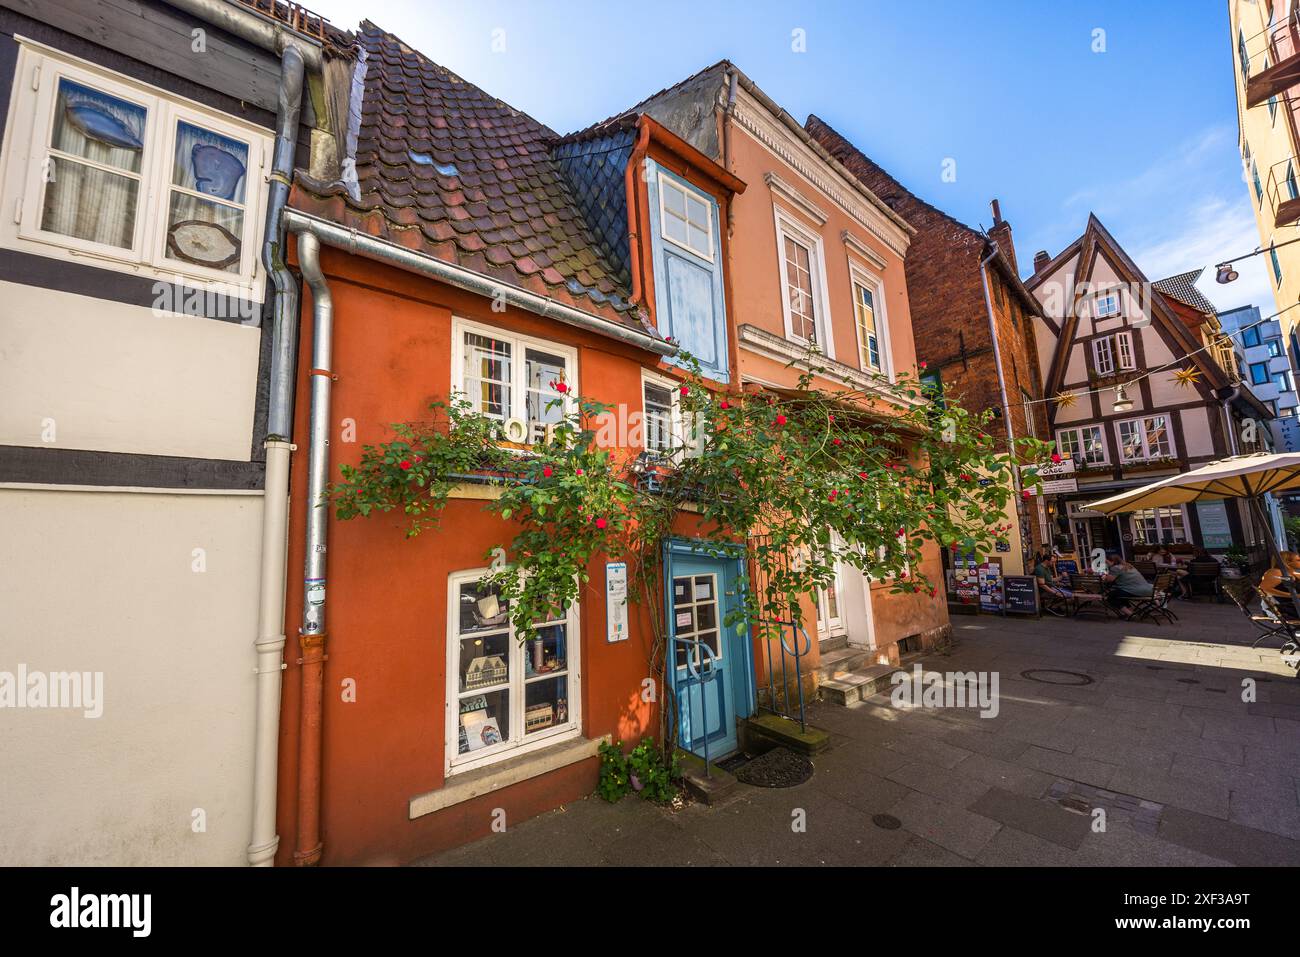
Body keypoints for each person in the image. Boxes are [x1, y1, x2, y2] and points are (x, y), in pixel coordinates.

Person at [1103, 552, 1153, 619]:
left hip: (1135, 590)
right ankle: (1132, 611)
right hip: (1148, 589)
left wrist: (1104, 576)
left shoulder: (1115, 568)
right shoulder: (1128, 565)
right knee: (1118, 594)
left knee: (1110, 597)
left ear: (1112, 561)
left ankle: (1131, 614)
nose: (1106, 564)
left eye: (1107, 562)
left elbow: (1110, 580)